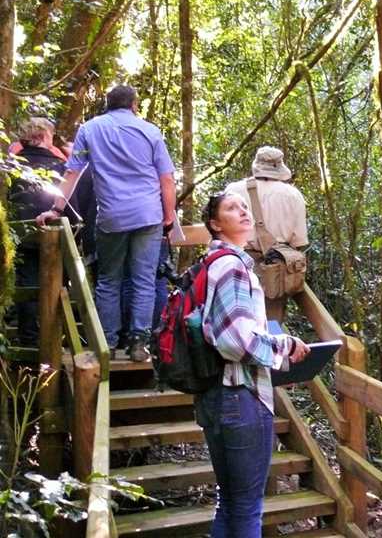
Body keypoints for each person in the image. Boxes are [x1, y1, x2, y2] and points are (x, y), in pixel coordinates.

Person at [195, 191, 309, 537]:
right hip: (240, 397)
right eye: (232, 209)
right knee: (246, 508)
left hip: (216, 395)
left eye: (244, 207)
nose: (243, 212)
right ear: (215, 224)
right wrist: (283, 346)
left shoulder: (211, 263)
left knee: (229, 502)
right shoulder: (232, 267)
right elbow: (236, 341)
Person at [36, 85, 176, 361]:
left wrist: (56, 208)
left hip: (112, 215)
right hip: (148, 215)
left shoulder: (90, 129)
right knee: (144, 280)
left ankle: (107, 344)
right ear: (134, 104)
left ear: (107, 104)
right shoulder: (149, 131)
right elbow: (167, 179)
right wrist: (168, 216)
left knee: (109, 280)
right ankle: (138, 344)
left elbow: (72, 172)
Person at [225, 146, 308, 321]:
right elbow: (299, 241)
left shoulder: (233, 190)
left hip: (237, 263)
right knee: (271, 323)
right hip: (275, 271)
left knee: (236, 319)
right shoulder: (293, 195)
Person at [8, 118, 67, 345]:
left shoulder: (14, 165)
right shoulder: (60, 166)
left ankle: (30, 337)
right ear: (43, 136)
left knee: (28, 284)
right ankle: (52, 338)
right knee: (54, 284)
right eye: (51, 135)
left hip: (21, 233)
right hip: (53, 233)